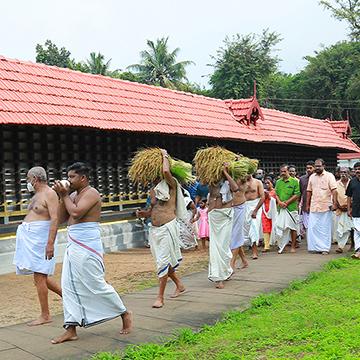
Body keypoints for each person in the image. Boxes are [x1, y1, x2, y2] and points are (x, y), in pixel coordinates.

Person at [51, 162, 132, 344]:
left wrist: (65, 196)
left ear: (83, 178)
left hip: (88, 243)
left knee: (95, 282)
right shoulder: (72, 194)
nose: (69, 180)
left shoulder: (92, 193)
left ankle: (124, 313)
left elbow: (77, 213)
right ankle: (70, 328)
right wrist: (61, 196)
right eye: (68, 176)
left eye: (72, 177)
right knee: (68, 286)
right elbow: (63, 217)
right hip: (73, 243)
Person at [136, 150, 186, 308]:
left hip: (167, 227)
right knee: (162, 262)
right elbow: (153, 210)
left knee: (163, 262)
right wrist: (144, 213)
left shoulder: (171, 184)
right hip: (155, 229)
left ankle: (160, 297)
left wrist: (164, 155)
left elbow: (165, 170)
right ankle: (179, 284)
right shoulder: (153, 190)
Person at [13, 166, 62, 326]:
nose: (28, 182)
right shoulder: (37, 195)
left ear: (35, 179)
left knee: (40, 276)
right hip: (31, 239)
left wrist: (50, 243)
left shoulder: (50, 194)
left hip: (41, 239)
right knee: (41, 277)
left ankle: (45, 315)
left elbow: (55, 218)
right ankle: (69, 297)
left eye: (28, 179)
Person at [207, 168, 234, 289]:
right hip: (214, 216)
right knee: (215, 246)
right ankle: (219, 277)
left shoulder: (230, 180)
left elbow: (236, 188)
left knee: (224, 246)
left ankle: (226, 270)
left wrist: (226, 173)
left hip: (226, 215)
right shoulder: (212, 183)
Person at [306, 159, 337, 255]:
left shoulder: (329, 176)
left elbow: (334, 190)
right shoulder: (312, 177)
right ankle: (314, 247)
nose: (317, 168)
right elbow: (309, 191)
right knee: (313, 227)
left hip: (325, 206)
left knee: (324, 228)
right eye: (316, 166)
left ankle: (324, 248)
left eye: (319, 166)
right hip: (314, 206)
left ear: (324, 166)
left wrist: (335, 203)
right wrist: (307, 205)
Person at [223, 166, 248, 270]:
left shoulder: (242, 179)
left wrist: (226, 171)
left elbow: (236, 186)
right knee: (234, 236)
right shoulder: (229, 179)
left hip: (240, 207)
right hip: (231, 208)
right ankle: (244, 260)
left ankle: (232, 263)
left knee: (236, 235)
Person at [273, 165, 300, 254]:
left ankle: (292, 246)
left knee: (293, 227)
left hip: (291, 208)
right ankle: (282, 246)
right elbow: (276, 194)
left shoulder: (295, 181)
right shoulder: (278, 182)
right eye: (281, 172)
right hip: (281, 208)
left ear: (288, 171)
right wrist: (280, 202)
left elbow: (297, 194)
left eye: (285, 171)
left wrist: (287, 203)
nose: (283, 173)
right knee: (280, 227)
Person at [243, 174, 265, 259]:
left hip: (255, 205)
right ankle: (246, 249)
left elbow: (262, 197)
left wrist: (255, 210)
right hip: (245, 206)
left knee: (254, 228)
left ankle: (255, 252)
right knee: (246, 229)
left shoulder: (257, 182)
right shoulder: (242, 182)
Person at [335, 167, 352, 253]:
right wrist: (338, 206)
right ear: (338, 173)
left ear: (349, 173)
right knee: (340, 228)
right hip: (340, 209)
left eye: (345, 172)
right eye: (341, 172)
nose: (343, 174)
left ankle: (353, 246)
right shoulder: (336, 184)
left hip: (351, 210)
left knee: (351, 228)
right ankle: (340, 246)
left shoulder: (352, 183)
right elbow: (333, 197)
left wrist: (349, 206)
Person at [346, 162, 360, 260]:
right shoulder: (352, 182)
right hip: (356, 210)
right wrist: (348, 209)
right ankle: (358, 250)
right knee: (357, 231)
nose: (358, 171)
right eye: (356, 169)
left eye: (359, 169)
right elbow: (349, 196)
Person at [299, 161, 315, 238]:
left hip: (317, 205)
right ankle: (310, 242)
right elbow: (301, 193)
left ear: (314, 168)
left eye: (310, 168)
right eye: (307, 168)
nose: (308, 170)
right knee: (307, 225)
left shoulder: (317, 178)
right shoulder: (302, 179)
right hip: (306, 205)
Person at [261, 177, 277, 252]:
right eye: (265, 183)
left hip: (273, 212)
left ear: (272, 183)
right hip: (264, 211)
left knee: (274, 226)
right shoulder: (262, 192)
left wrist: (269, 196)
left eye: (268, 183)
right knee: (265, 228)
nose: (267, 184)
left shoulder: (275, 191)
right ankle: (266, 246)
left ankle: (276, 242)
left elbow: (276, 201)